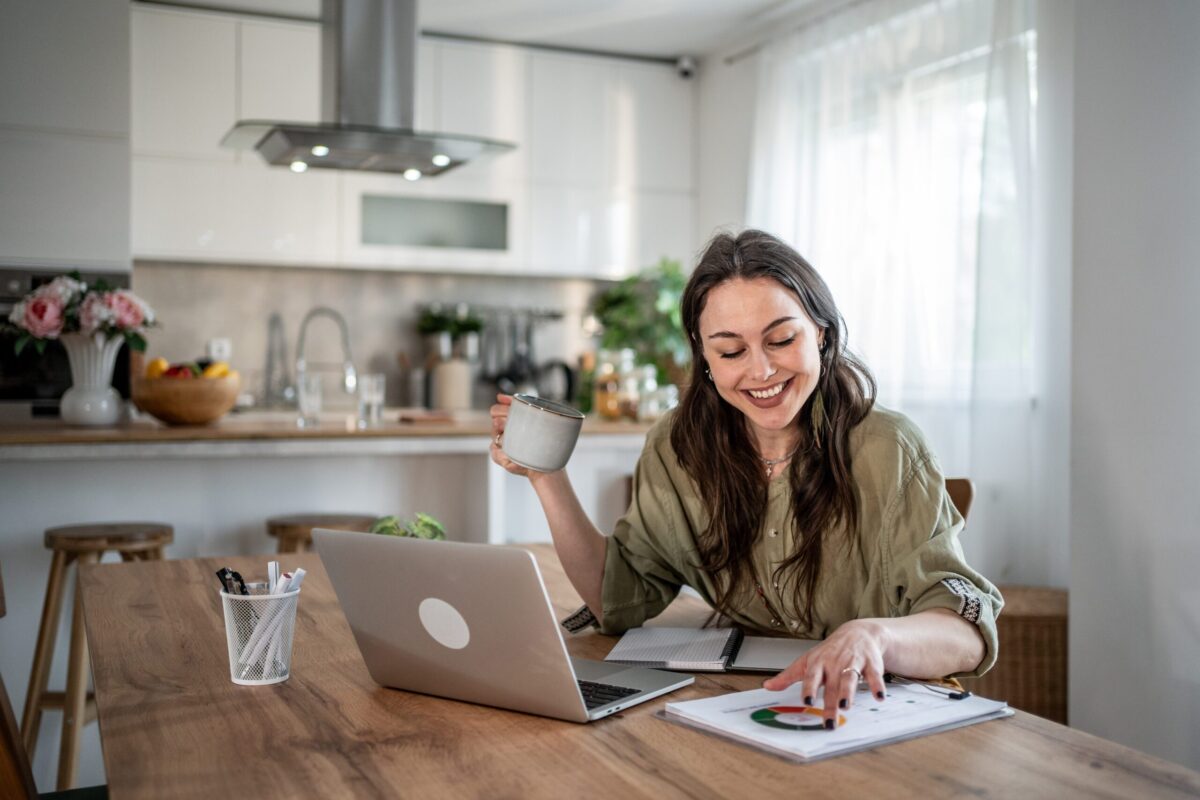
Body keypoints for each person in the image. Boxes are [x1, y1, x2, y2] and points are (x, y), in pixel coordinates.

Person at [490, 229, 1002, 729]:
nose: (760, 371)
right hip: (743, 704)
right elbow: (618, 600)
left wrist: (873, 637)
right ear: (706, 359)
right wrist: (546, 477)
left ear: (820, 333)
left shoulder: (889, 447)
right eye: (731, 351)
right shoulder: (677, 446)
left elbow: (968, 632)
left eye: (781, 339)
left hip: (874, 709)